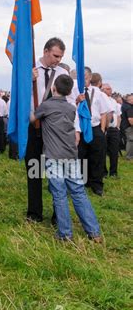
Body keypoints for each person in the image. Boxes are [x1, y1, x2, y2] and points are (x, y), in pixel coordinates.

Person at [32, 75, 102, 242]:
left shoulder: (46, 106)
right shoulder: (71, 108)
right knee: (79, 191)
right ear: (70, 91)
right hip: (71, 155)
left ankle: (65, 234)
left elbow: (32, 119)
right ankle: (94, 232)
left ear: (53, 88)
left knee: (59, 194)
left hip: (53, 156)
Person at [25, 37, 66, 223]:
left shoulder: (62, 73)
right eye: (55, 55)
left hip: (55, 130)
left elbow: (70, 101)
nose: (57, 60)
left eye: (60, 56)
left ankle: (58, 214)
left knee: (56, 172)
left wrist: (77, 131)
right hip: (33, 127)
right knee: (33, 170)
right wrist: (27, 80)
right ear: (45, 51)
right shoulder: (29, 69)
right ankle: (35, 213)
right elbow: (18, 95)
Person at [72, 67, 110, 196]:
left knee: (97, 156)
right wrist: (76, 100)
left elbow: (104, 112)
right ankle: (80, 182)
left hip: (95, 128)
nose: (83, 81)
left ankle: (96, 184)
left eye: (86, 78)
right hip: (79, 129)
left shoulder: (98, 92)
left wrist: (102, 129)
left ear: (90, 77)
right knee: (80, 156)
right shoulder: (73, 91)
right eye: (80, 78)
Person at [102, 83, 121, 178]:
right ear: (103, 89)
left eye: (110, 88)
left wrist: (117, 126)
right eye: (108, 89)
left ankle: (113, 172)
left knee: (114, 151)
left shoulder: (114, 101)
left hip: (113, 129)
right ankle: (104, 172)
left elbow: (118, 115)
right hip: (104, 128)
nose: (110, 90)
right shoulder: (101, 99)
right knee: (102, 151)